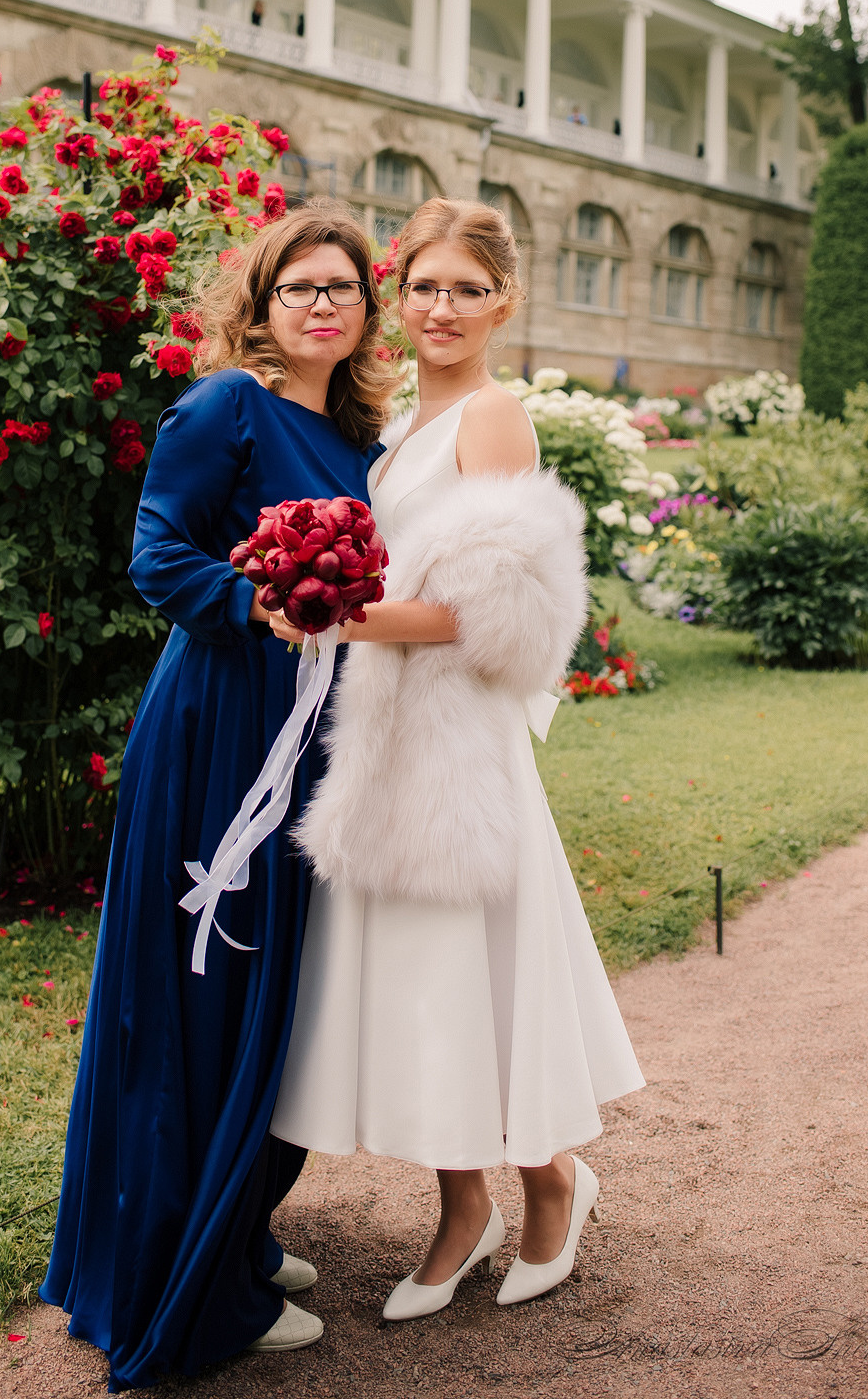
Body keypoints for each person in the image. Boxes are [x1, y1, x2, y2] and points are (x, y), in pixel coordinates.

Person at [40, 204, 397, 1388]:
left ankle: (232, 1226)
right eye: (300, 287)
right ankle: (182, 1279)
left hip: (314, 737)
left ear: (367, 311)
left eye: (342, 289)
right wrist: (259, 602)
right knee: (201, 988)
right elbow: (156, 555)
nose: (321, 306)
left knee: (274, 992)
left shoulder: (355, 436)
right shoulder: (223, 407)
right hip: (221, 726)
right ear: (261, 302)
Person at [270, 196, 644, 1318]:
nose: (442, 308)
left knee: (478, 970)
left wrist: (331, 610)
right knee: (426, 982)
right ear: (399, 295)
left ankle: (551, 1183)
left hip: (457, 743)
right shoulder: (392, 420)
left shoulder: (491, 417)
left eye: (466, 290)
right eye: (425, 286)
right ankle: (463, 1206)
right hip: (386, 732)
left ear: (502, 302)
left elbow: (495, 618)